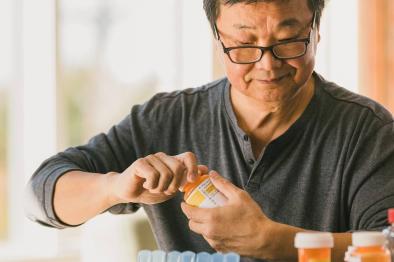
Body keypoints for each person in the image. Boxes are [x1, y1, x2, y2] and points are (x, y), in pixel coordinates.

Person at [26, 0, 394, 261]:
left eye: (288, 40)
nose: (268, 65)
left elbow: (388, 247)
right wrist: (114, 186)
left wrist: (273, 241)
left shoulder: (369, 132)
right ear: (218, 39)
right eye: (244, 45)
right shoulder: (166, 119)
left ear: (316, 29)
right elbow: (40, 195)